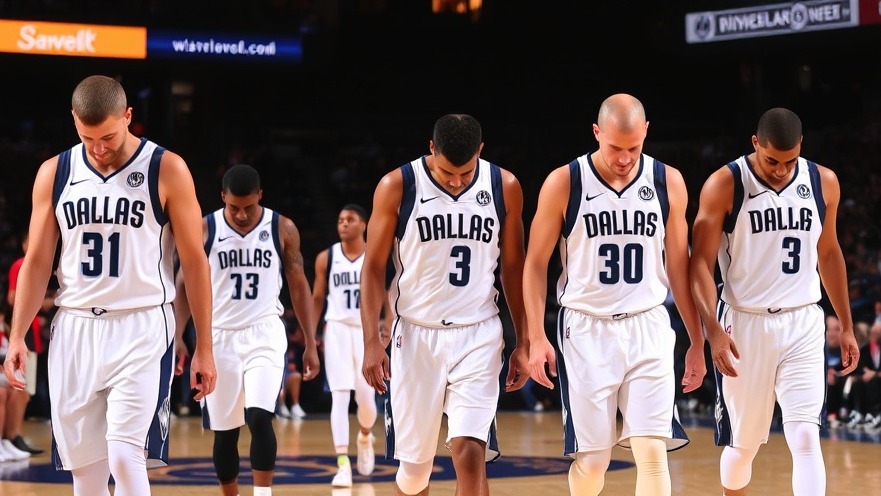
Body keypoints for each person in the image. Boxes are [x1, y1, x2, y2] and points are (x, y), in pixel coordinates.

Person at [2, 74, 216, 495]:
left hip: (142, 325)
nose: (99, 148)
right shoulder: (55, 172)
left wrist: (204, 346)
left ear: (128, 116)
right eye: (88, 137)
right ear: (74, 122)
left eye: (109, 137)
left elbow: (194, 263)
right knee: (87, 471)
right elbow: (38, 260)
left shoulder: (166, 167)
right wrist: (17, 336)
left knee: (124, 453)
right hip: (75, 326)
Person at [523, 93, 706, 496]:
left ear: (646, 132)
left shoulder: (667, 181)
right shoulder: (564, 181)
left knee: (652, 450)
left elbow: (678, 267)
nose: (624, 158)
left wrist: (696, 339)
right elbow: (535, 264)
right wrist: (536, 336)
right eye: (614, 148)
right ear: (596, 132)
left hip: (649, 324)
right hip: (587, 329)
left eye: (633, 148)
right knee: (593, 462)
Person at [689, 107, 860, 496]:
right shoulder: (724, 183)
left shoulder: (823, 182)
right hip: (743, 325)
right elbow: (698, 263)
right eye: (771, 160)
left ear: (802, 147)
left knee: (804, 436)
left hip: (803, 321)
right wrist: (712, 331)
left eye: (789, 161)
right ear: (755, 144)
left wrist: (846, 325)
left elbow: (828, 253)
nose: (781, 169)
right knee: (743, 446)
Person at [360, 113, 530, 496]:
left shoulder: (505, 186)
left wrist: (524, 339)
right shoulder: (397, 186)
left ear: (481, 153)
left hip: (479, 333)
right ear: (431, 149)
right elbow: (371, 270)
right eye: (447, 172)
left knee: (471, 454)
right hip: (416, 334)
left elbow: (514, 270)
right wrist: (372, 341)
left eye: (465, 173)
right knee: (415, 473)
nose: (456, 181)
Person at [174, 163, 320, 496]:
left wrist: (310, 341)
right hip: (218, 338)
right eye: (233, 207)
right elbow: (183, 283)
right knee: (225, 432)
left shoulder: (282, 227)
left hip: (265, 332)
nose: (240, 215)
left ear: (260, 196)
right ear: (222, 197)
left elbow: (298, 284)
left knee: (258, 416)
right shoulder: (204, 228)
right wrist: (180, 334)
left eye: (248, 207)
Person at [312, 203, 391, 487]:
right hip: (336, 329)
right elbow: (317, 298)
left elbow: (388, 293)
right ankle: (342, 463)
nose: (343, 224)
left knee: (367, 400)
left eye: (350, 219)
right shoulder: (326, 258)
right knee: (339, 395)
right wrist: (310, 335)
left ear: (364, 225)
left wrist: (388, 323)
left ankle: (366, 435)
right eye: (340, 219)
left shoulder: (375, 253)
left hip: (366, 332)